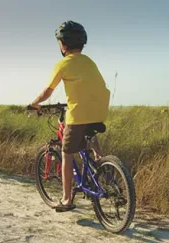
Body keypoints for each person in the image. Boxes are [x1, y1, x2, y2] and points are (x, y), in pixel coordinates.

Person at [29, 21, 110, 212]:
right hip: (99, 111)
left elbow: (47, 91)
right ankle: (102, 163)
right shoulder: (90, 61)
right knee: (88, 136)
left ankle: (66, 199)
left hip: (78, 114)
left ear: (63, 45)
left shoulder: (63, 64)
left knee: (66, 154)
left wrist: (34, 104)